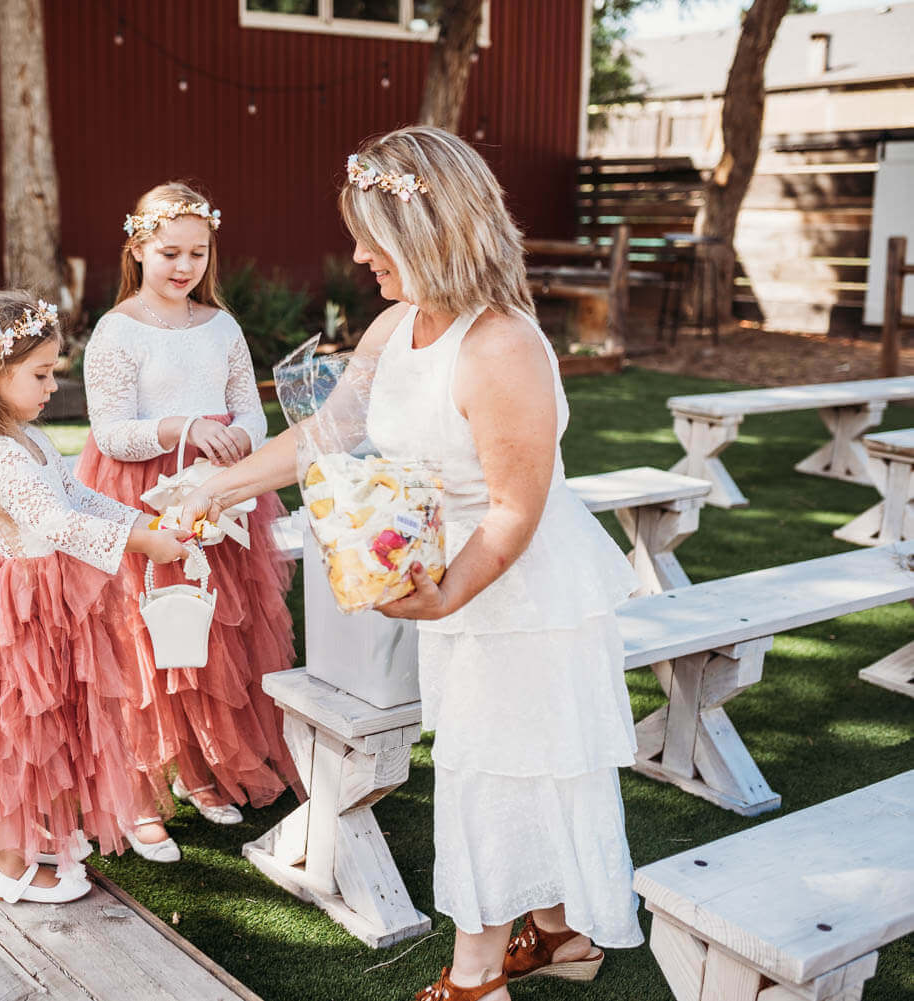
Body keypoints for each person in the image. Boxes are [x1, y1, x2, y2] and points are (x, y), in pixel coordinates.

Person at [181, 128, 643, 1000]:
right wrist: (221, 483)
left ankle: (475, 979)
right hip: (456, 580)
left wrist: (445, 598)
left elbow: (514, 509)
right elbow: (329, 432)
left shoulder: (501, 347)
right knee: (514, 761)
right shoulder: (399, 325)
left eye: (372, 235)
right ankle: (562, 935)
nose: (357, 255)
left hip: (519, 592)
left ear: (433, 231)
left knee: (491, 769)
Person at [0, 289, 194, 904]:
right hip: (15, 611)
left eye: (53, 374)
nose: (51, 388)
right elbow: (56, 524)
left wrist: (140, 522)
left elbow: (79, 498)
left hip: (51, 601)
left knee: (54, 724)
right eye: (41, 374)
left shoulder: (28, 437)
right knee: (15, 727)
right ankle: (9, 863)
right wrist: (140, 544)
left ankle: (39, 835)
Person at [74, 181, 299, 862]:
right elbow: (111, 432)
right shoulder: (118, 331)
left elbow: (250, 407)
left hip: (220, 492)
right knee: (147, 636)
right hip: (144, 497)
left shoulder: (221, 325)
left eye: (197, 254)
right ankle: (141, 792)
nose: (184, 267)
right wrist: (185, 427)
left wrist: (242, 438)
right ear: (137, 246)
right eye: (169, 252)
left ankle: (204, 769)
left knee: (216, 632)